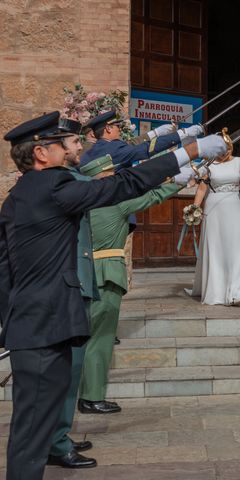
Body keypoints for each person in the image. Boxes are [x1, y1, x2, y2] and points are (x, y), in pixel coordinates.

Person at [0, 111, 226, 480]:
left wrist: (11, 321)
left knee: (36, 426)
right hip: (43, 329)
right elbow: (123, 184)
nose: (72, 149)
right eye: (62, 144)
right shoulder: (54, 187)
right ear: (41, 154)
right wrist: (190, 150)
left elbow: (3, 269)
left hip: (36, 326)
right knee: (29, 433)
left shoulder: (18, 195)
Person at [77, 156, 184, 414]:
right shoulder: (114, 202)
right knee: (100, 338)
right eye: (112, 173)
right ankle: (91, 396)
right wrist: (182, 179)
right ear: (103, 177)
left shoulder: (80, 202)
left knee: (85, 337)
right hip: (107, 275)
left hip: (83, 274)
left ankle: (82, 393)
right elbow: (152, 197)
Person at [46, 118, 98, 469]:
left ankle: (59, 433)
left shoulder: (73, 180)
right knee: (64, 368)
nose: (81, 147)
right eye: (75, 142)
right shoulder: (67, 183)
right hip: (69, 286)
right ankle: (55, 441)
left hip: (76, 283)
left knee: (72, 367)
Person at [189, 155, 240, 306]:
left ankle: (235, 293)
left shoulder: (239, 162)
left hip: (234, 205)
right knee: (216, 248)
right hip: (214, 208)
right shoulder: (208, 164)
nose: (224, 150)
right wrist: (194, 208)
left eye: (227, 146)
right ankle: (216, 290)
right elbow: (202, 188)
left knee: (235, 249)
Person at [80, 110, 203, 169]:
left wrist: (156, 132)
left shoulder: (95, 149)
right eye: (117, 127)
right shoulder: (113, 147)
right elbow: (145, 149)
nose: (120, 130)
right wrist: (183, 133)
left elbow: (130, 145)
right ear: (108, 128)